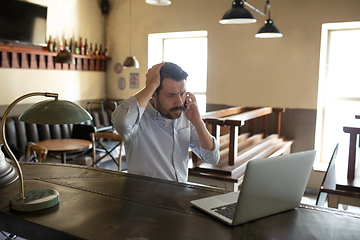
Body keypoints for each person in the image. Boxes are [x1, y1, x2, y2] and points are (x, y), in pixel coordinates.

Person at [112, 62, 219, 182]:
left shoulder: (186, 116)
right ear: (154, 94)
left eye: (182, 93)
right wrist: (150, 86)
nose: (179, 101)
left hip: (179, 197)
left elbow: (212, 158)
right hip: (144, 198)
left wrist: (198, 122)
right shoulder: (138, 118)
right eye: (171, 95)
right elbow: (121, 121)